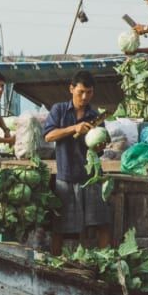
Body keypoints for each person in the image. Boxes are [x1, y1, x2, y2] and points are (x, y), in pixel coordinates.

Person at [44, 71, 112, 252]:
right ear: (71, 89)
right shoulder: (58, 110)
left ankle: (106, 260)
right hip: (66, 176)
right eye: (81, 91)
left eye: (89, 92)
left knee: (102, 223)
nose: (84, 96)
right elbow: (49, 136)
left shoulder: (95, 115)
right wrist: (74, 128)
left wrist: (99, 145)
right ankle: (56, 263)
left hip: (90, 177)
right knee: (59, 227)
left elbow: (100, 149)